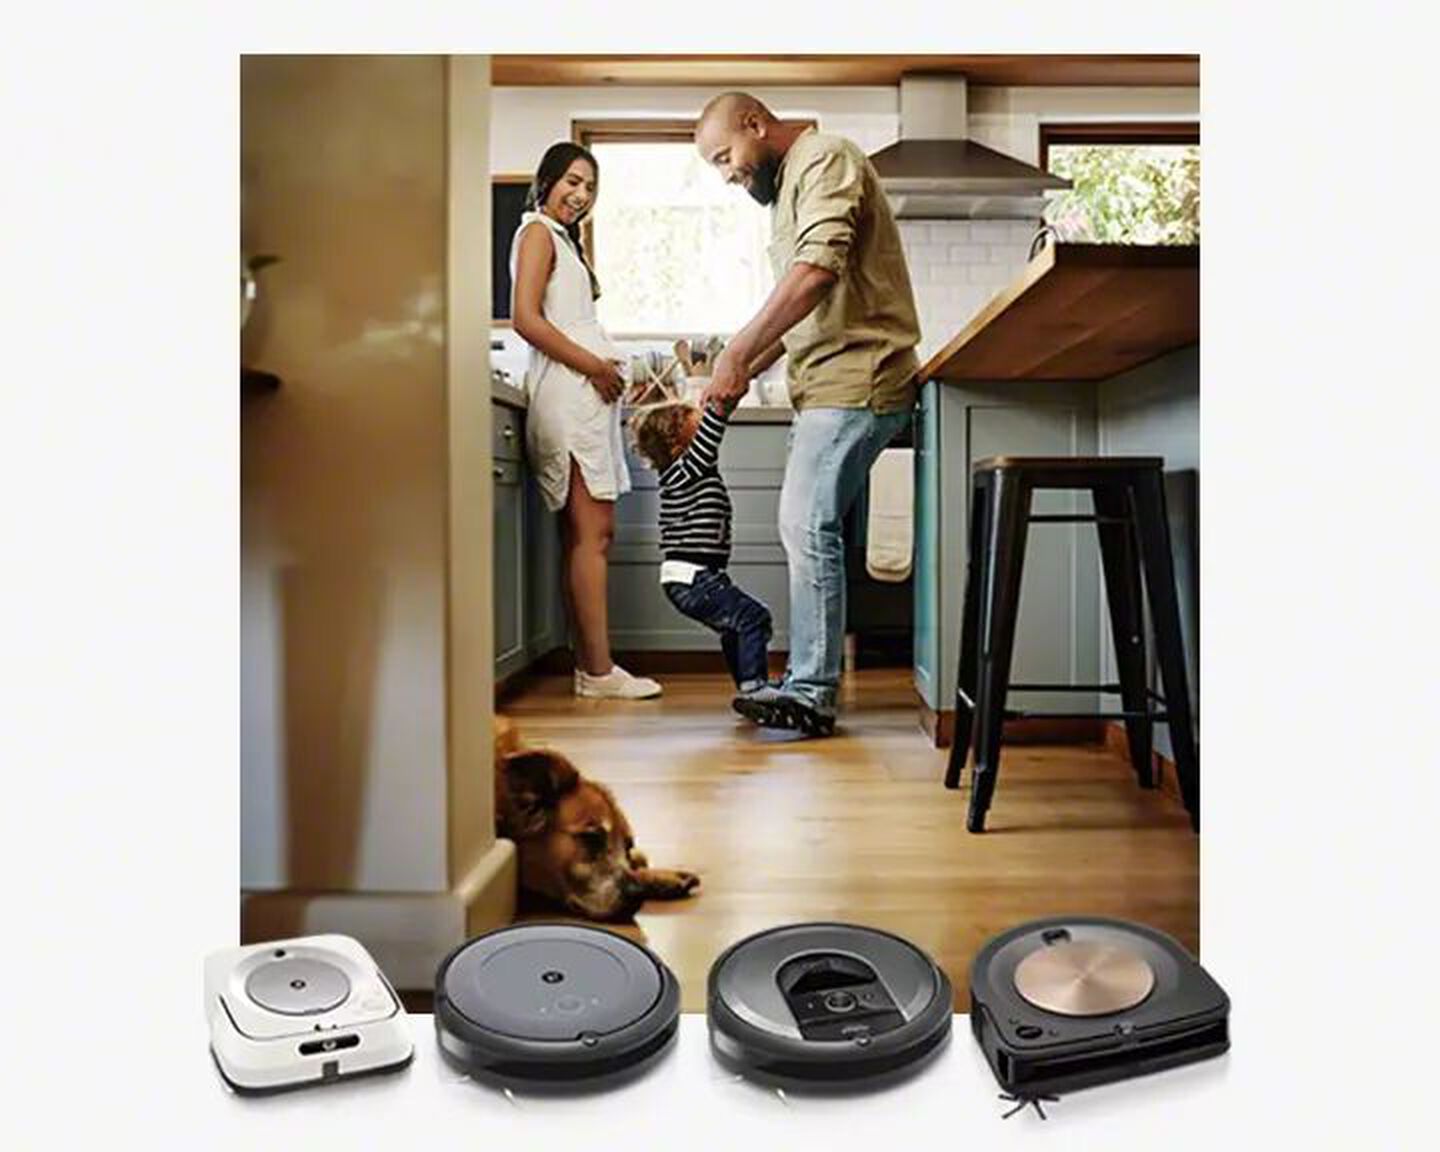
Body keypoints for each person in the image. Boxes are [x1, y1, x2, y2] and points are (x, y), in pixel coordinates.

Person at [695, 92, 921, 735]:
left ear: (754, 125)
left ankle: (812, 692)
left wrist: (738, 350)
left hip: (859, 378)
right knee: (805, 525)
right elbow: (804, 306)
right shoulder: (790, 184)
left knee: (805, 522)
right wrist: (745, 368)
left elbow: (817, 271)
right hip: (825, 382)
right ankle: (808, 685)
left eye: (725, 157)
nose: (729, 174)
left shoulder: (825, 157)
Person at [510, 142, 661, 699]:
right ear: (547, 180)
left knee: (591, 534)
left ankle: (594, 669)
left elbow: (568, 321)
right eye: (572, 181)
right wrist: (597, 366)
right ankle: (597, 672)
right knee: (593, 535)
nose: (581, 195)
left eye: (590, 188)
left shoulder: (562, 243)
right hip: (570, 399)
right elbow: (526, 318)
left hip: (583, 397)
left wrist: (611, 367)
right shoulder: (537, 234)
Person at [628, 396, 774, 711]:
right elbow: (711, 434)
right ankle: (755, 688)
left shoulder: (685, 473)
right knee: (753, 617)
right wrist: (722, 405)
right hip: (694, 576)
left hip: (693, 576)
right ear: (677, 442)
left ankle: (749, 688)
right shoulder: (688, 468)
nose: (700, 414)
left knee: (734, 626)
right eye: (691, 415)